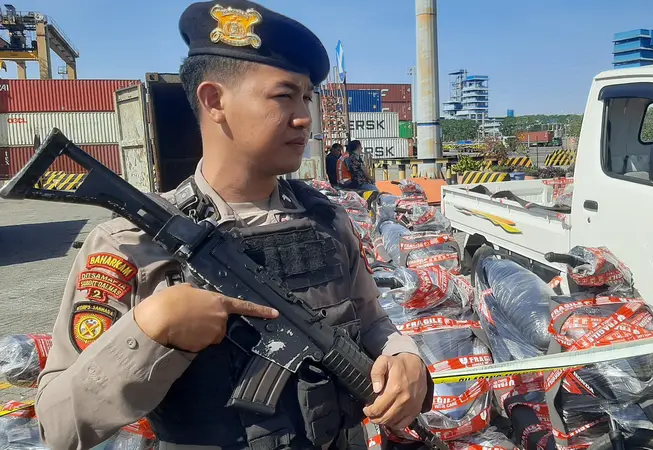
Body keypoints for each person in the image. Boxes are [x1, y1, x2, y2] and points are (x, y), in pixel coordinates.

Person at [34, 2, 433, 449]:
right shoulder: (130, 243)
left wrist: (404, 356)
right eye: (284, 96)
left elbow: (372, 321)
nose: (305, 116)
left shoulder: (326, 219)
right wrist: (149, 332)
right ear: (214, 100)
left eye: (307, 97)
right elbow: (59, 426)